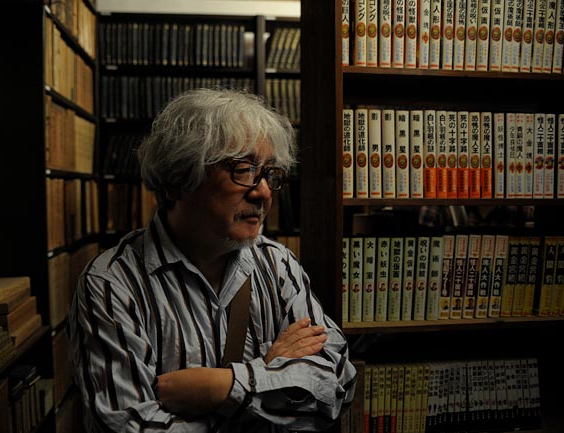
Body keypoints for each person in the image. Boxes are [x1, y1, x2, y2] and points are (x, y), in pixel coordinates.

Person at [68, 88, 356, 433]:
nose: (263, 192)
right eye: (243, 170)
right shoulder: (111, 285)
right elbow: (130, 426)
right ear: (178, 181)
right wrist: (272, 375)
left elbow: (337, 385)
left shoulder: (277, 264)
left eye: (269, 173)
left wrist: (220, 386)